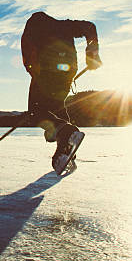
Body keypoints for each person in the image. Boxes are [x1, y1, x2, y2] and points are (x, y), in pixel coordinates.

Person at [21, 11, 102, 173]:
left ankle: (65, 133)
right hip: (68, 71)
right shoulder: (63, 25)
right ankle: (66, 151)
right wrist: (92, 53)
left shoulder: (32, 30)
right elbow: (89, 27)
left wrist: (36, 74)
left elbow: (30, 57)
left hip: (46, 70)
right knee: (56, 110)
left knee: (36, 113)